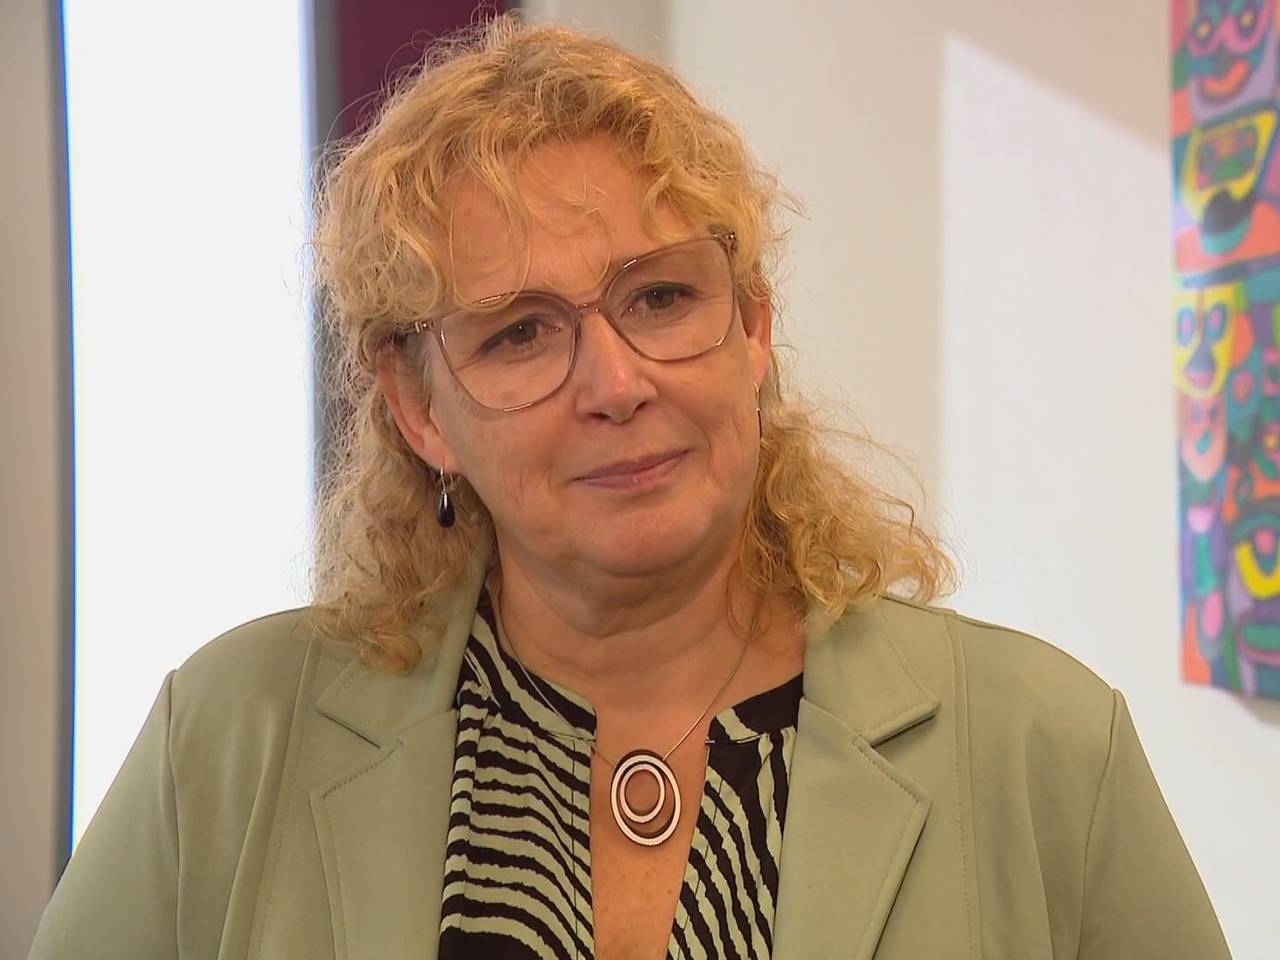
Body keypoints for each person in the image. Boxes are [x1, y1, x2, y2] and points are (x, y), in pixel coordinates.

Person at [29, 15, 1230, 960]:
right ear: (417, 410)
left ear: (751, 330)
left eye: (659, 297)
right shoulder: (227, 741)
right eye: (519, 333)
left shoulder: (1044, 750)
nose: (615, 383)